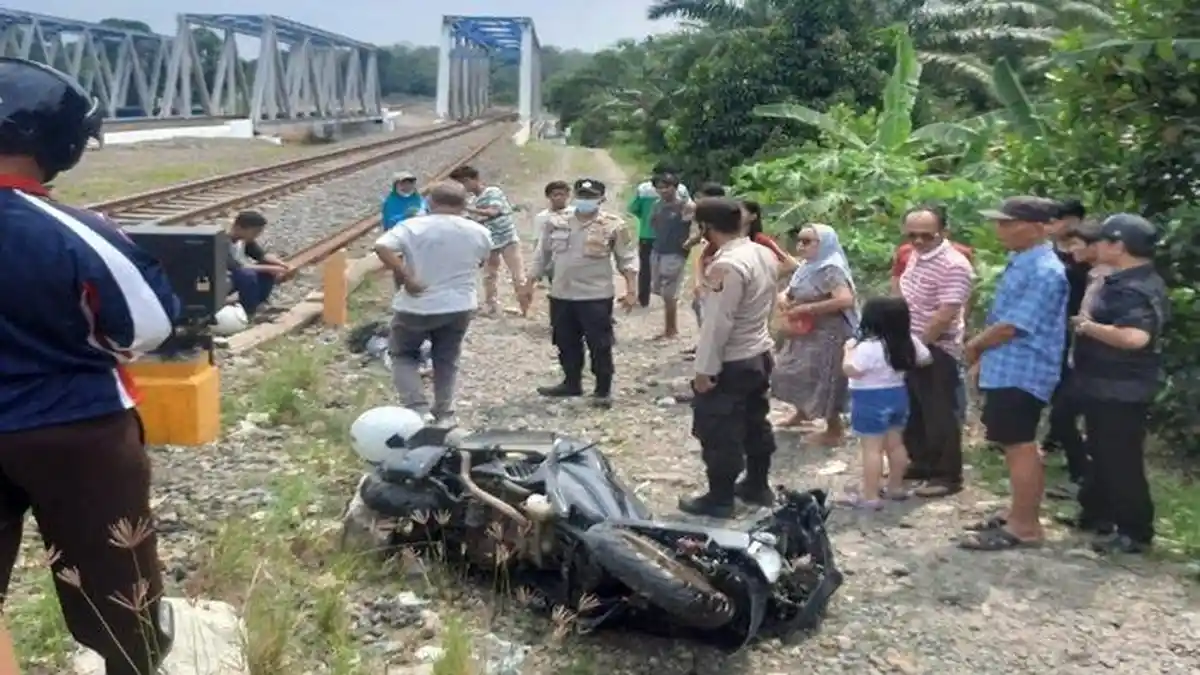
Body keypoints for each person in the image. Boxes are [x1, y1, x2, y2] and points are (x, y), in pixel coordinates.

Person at [0, 57, 180, 675]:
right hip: (77, 427)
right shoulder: (77, 231)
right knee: (115, 579)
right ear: (59, 144)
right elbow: (149, 323)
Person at [960, 196, 1067, 551]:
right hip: (1006, 366)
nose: (999, 230)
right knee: (1011, 443)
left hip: (1024, 368)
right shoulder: (1023, 261)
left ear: (1037, 228)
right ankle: (1016, 513)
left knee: (1020, 444)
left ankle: (1025, 526)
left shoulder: (1045, 270)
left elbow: (1013, 326)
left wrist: (975, 346)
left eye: (1008, 223)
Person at [1062, 214, 1167, 554]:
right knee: (1103, 453)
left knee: (1120, 459)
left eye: (1101, 241)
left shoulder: (1135, 289)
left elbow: (1136, 337)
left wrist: (1089, 328)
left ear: (1118, 246)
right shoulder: (1123, 279)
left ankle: (1135, 531)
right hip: (1105, 383)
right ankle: (1097, 514)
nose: (1095, 247)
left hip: (1122, 387)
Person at [679, 197, 780, 518]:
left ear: (706, 228)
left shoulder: (726, 265)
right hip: (759, 351)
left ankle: (720, 498)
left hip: (732, 360)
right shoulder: (761, 253)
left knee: (719, 430)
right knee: (755, 422)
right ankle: (757, 485)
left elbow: (717, 323)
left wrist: (704, 369)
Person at [374, 181, 492, 425]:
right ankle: (444, 412)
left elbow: (382, 246)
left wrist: (406, 276)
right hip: (459, 305)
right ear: (465, 205)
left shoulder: (412, 226)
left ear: (430, 202)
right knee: (446, 358)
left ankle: (417, 408)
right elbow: (480, 261)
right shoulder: (479, 232)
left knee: (403, 354)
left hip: (416, 304)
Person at [519, 179, 638, 408]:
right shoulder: (556, 222)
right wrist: (529, 284)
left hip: (595, 295)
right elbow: (541, 255)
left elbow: (627, 258)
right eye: (582, 195)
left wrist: (631, 289)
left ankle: (603, 389)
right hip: (562, 293)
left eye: (590, 196)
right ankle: (571, 382)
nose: (585, 200)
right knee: (565, 341)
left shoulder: (613, 225)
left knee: (599, 344)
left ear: (601, 199)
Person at [897, 204, 973, 498]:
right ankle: (923, 462)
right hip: (911, 341)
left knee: (940, 410)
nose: (917, 241)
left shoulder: (953, 265)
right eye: (912, 235)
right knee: (916, 409)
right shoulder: (917, 256)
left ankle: (947, 474)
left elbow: (946, 312)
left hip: (936, 346)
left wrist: (920, 344)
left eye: (926, 236)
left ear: (944, 232)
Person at [839, 297, 931, 509]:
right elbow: (925, 359)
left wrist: (848, 352)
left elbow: (851, 369)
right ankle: (895, 487)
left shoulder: (868, 347)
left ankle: (870, 495)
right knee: (896, 443)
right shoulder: (909, 341)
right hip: (898, 395)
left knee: (872, 449)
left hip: (869, 399)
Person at [771, 224, 858, 445]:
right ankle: (802, 411)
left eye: (808, 241)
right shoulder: (808, 266)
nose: (801, 246)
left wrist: (806, 308)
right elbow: (791, 288)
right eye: (799, 240)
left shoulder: (831, 268)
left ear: (824, 244)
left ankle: (833, 429)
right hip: (806, 330)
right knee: (796, 370)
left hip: (829, 332)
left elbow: (845, 299)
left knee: (825, 377)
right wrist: (784, 297)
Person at [1044, 218, 1110, 497]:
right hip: (1078, 355)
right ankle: (1083, 481)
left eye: (1076, 244)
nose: (1071, 250)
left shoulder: (1108, 278)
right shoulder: (1088, 272)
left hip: (1097, 362)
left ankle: (1087, 481)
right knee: (1064, 417)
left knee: (1066, 416)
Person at [1041, 198, 1090, 470]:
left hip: (1079, 328)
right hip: (1052, 326)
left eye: (1057, 219)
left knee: (1069, 388)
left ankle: (1065, 442)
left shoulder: (1087, 255)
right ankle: (1060, 437)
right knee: (1056, 381)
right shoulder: (1046, 252)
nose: (1053, 226)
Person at [449, 165, 525, 316]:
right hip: (489, 242)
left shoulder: (492, 192)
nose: (463, 186)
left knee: (517, 275)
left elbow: (493, 212)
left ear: (474, 179)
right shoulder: (472, 200)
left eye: (464, 182)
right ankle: (492, 306)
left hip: (507, 239)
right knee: (489, 275)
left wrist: (468, 209)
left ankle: (525, 306)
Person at [628, 164, 690, 307]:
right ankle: (669, 297)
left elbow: (633, 208)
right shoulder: (681, 189)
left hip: (647, 233)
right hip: (672, 235)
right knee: (671, 267)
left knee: (645, 267)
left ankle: (644, 299)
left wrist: (645, 219)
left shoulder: (643, 188)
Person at [227, 210, 295, 317]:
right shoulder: (223, 242)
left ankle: (259, 304)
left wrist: (283, 265)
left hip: (238, 275)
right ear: (239, 228)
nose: (257, 236)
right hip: (224, 278)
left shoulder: (244, 241)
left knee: (267, 268)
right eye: (255, 232)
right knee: (248, 274)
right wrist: (273, 269)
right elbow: (238, 267)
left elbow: (262, 256)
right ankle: (249, 311)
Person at [648, 173, 691, 339]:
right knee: (658, 289)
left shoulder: (685, 206)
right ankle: (670, 327)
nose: (663, 190)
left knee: (669, 293)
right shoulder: (657, 205)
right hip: (658, 250)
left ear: (675, 187)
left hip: (675, 252)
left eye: (667, 186)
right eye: (659, 187)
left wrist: (688, 244)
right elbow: (653, 223)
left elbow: (695, 227)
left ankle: (670, 329)